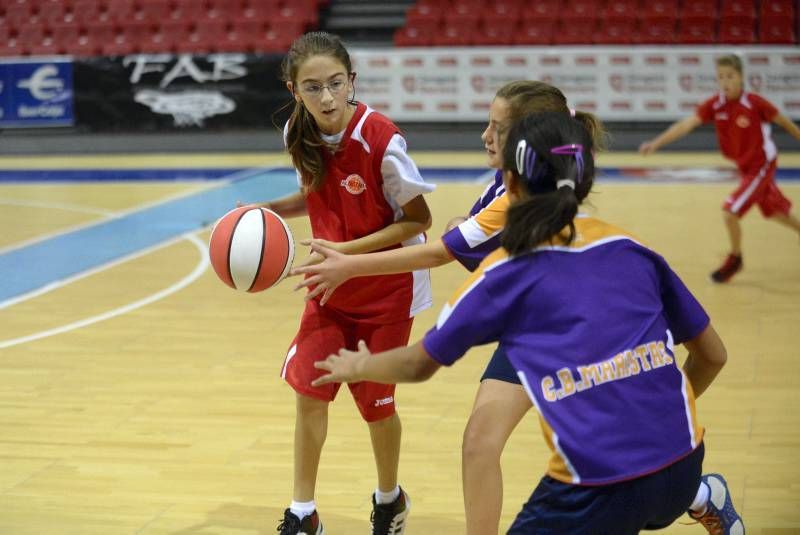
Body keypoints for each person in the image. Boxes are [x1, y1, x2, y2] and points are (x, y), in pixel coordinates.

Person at [311, 112, 745, 534]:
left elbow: (418, 365)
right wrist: (659, 413)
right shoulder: (634, 249)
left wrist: (360, 367)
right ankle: (703, 497)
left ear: (510, 185)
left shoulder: (506, 272)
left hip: (597, 489)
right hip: (684, 468)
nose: (487, 135)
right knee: (482, 438)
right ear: (584, 180)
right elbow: (715, 356)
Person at [292, 81, 606, 535]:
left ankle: (696, 492)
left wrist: (351, 264)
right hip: (526, 330)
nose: (484, 136)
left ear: (525, 141)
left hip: (580, 331)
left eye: (496, 128)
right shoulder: (510, 180)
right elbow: (461, 233)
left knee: (601, 450)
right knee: (480, 443)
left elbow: (438, 251)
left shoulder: (515, 196)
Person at [246, 31, 435, 535]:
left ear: (352, 81)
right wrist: (261, 214)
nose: (326, 98)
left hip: (385, 291)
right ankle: (302, 513)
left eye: (335, 84)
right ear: (294, 90)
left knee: (376, 407)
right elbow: (313, 194)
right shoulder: (297, 132)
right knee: (310, 391)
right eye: (312, 88)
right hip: (330, 290)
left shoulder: (382, 140)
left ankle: (389, 499)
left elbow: (419, 221)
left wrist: (345, 256)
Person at [640, 53, 800, 283]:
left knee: (729, 212)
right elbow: (686, 125)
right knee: (774, 210)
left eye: (730, 76)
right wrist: (656, 143)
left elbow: (784, 122)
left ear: (741, 77)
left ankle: (735, 258)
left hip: (761, 165)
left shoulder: (755, 103)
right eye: (721, 77)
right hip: (745, 167)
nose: (725, 81)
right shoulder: (716, 104)